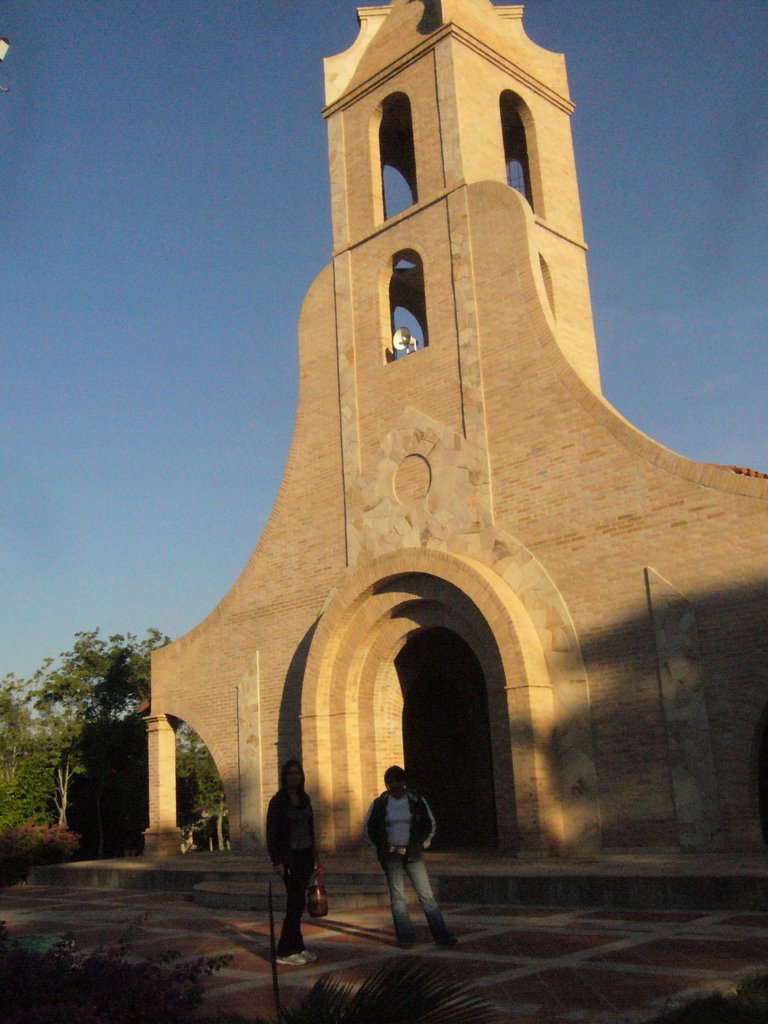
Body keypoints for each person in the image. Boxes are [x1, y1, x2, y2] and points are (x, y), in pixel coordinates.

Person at [364, 765, 457, 949]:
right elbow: (369, 827)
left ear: (404, 782)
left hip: (413, 853)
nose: (395, 785)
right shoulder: (380, 803)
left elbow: (429, 824)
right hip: (391, 854)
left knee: (427, 895)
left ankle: (441, 935)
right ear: (387, 784)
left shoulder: (416, 801)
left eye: (399, 780)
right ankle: (405, 937)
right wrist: (380, 849)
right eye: (391, 781)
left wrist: (421, 845)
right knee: (398, 896)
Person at [266, 759, 318, 966]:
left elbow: (310, 827)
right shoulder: (278, 802)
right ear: (284, 777)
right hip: (289, 857)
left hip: (305, 854)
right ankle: (285, 950)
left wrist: (315, 855)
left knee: (299, 903)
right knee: (294, 902)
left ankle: (298, 946)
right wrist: (277, 861)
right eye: (289, 773)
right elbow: (272, 833)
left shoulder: (305, 799)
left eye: (297, 773)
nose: (294, 776)